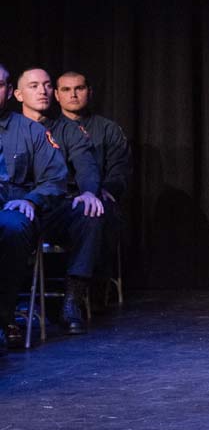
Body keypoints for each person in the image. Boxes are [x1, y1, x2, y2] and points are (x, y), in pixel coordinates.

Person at [13, 67, 106, 335]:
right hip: (15, 208)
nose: (42, 90)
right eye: (33, 86)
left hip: (52, 209)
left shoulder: (67, 130)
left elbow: (86, 165)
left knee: (90, 212)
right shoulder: (10, 129)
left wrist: (89, 192)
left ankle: (73, 299)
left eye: (46, 85)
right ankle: (14, 307)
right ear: (18, 94)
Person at [0, 63, 69, 354]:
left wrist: (31, 199)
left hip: (14, 210)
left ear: (8, 91)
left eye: (0, 84)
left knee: (10, 227)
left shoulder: (30, 130)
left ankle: (3, 319)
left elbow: (55, 179)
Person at [53, 70, 132, 305]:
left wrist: (105, 190)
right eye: (66, 90)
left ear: (89, 92)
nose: (73, 94)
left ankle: (97, 284)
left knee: (100, 212)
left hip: (100, 197)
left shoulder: (108, 129)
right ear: (56, 95)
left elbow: (120, 169)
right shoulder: (49, 130)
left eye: (79, 88)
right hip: (64, 201)